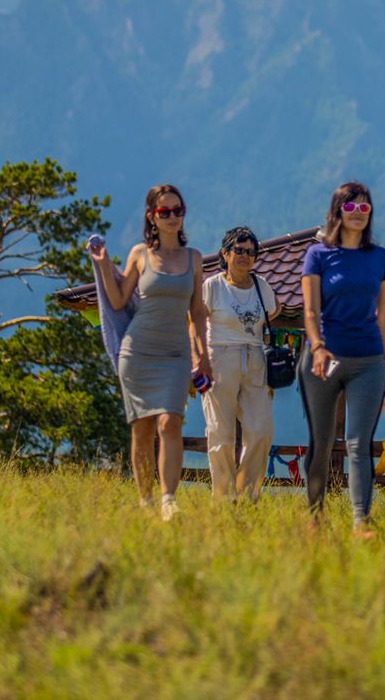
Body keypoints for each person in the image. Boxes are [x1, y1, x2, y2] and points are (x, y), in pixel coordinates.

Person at [90, 184, 211, 521]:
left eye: (177, 210)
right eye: (164, 212)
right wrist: (103, 266)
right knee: (142, 428)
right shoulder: (140, 255)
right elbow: (117, 301)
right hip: (138, 351)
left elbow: (197, 311)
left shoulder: (194, 258)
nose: (172, 217)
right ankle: (145, 500)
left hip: (175, 353)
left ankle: (168, 498)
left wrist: (203, 355)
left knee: (170, 421)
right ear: (152, 217)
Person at [299, 181, 385, 538]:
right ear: (337, 210)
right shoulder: (318, 255)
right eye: (350, 207)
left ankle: (360, 522)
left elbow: (384, 316)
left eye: (364, 208)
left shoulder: (380, 258)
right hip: (322, 359)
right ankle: (315, 514)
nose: (358, 214)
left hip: (368, 358)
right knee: (321, 440)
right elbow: (310, 311)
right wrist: (319, 346)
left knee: (359, 442)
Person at [201, 226, 279, 503]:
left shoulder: (262, 285)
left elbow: (274, 309)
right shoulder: (212, 286)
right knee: (219, 431)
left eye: (250, 252)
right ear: (225, 253)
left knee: (261, 429)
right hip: (219, 355)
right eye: (239, 250)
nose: (245, 256)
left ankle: (246, 494)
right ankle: (222, 497)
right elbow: (195, 321)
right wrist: (198, 359)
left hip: (255, 356)